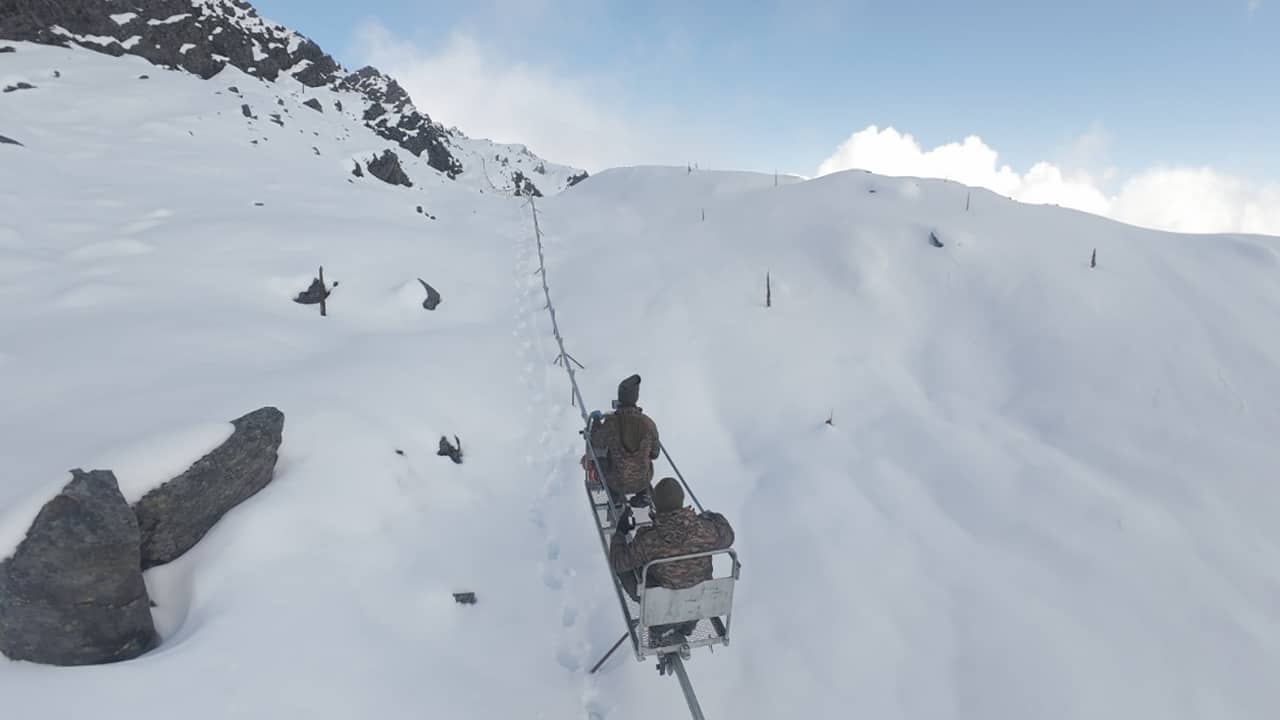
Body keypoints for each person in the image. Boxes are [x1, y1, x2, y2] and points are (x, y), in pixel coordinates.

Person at [609, 477, 736, 643]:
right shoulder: (706, 529)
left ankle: (662, 626)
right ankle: (688, 623)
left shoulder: (649, 539)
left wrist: (620, 533)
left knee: (627, 567)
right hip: (699, 601)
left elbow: (619, 561)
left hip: (664, 605)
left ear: (656, 505)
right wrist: (711, 516)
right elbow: (729, 536)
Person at [584, 374, 660, 508]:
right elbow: (655, 454)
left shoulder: (611, 423)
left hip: (616, 482)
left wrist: (596, 422)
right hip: (643, 480)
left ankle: (614, 495)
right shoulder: (648, 424)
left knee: (601, 460)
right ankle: (643, 493)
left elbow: (596, 442)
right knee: (644, 462)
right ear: (636, 398)